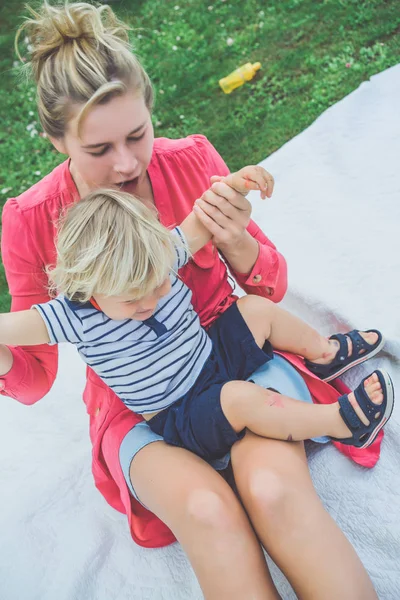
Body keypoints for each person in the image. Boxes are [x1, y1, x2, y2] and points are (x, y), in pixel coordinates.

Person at [0, 2, 382, 598]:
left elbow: (267, 290)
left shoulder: (192, 163)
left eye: (137, 135)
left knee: (273, 491)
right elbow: (31, 376)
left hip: (229, 358)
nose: (126, 164)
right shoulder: (30, 222)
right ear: (56, 141)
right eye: (98, 150)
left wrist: (237, 242)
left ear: (152, 111)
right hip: (137, 405)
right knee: (207, 511)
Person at [0, 173, 393, 458]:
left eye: (158, 284)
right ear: (88, 286)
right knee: (239, 398)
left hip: (210, 359)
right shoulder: (72, 315)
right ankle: (341, 423)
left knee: (253, 309)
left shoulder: (157, 253)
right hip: (181, 414)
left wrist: (235, 185)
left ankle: (324, 353)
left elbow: (203, 219)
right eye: (131, 299)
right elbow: (10, 327)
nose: (151, 300)